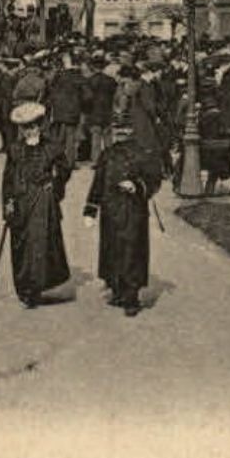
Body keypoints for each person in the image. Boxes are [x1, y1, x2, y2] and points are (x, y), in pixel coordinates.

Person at [82, 117, 163, 317]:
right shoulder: (107, 155)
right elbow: (98, 183)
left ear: (132, 130)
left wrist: (137, 185)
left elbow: (154, 180)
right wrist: (91, 210)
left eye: (126, 129)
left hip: (133, 211)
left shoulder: (143, 154)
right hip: (111, 212)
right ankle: (117, 291)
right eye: (118, 130)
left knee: (132, 252)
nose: (122, 134)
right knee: (112, 251)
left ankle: (131, 298)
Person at [1, 101, 71, 309]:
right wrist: (8, 203)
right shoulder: (14, 149)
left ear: (40, 126)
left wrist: (54, 185)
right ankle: (24, 287)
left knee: (40, 244)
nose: (28, 131)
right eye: (24, 127)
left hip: (43, 202)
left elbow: (65, 170)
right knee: (21, 244)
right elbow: (8, 178)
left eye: (32, 126)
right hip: (21, 201)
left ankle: (35, 289)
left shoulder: (52, 147)